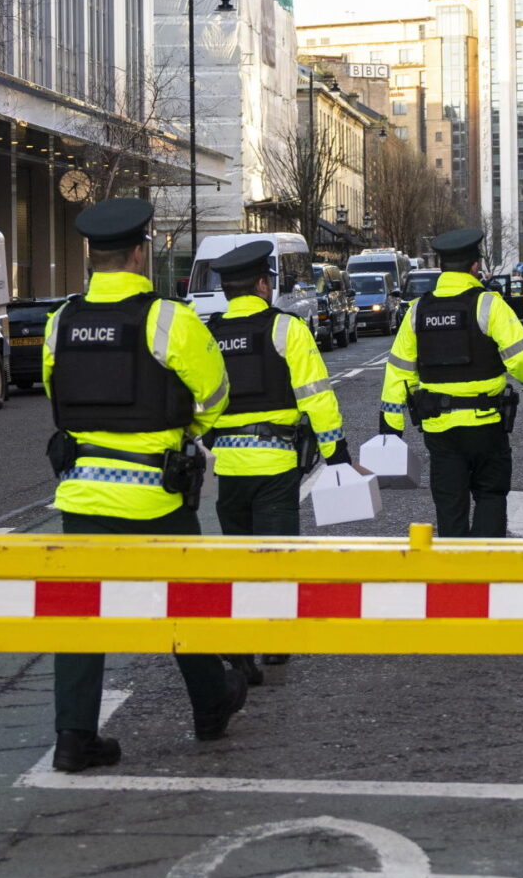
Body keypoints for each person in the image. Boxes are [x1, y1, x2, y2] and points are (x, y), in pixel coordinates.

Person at [40, 198, 241, 771]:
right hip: (157, 493)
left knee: (79, 616)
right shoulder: (168, 319)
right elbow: (215, 393)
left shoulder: (62, 321)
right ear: (139, 251)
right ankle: (209, 704)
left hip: (81, 492)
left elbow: (57, 396)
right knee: (186, 601)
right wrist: (186, 431)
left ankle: (74, 737)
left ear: (90, 256)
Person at [381, 226, 523, 537]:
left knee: (449, 503)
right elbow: (521, 358)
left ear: (441, 267)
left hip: (439, 429)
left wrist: (390, 424)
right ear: (475, 266)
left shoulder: (418, 311)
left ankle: (454, 577)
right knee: (490, 494)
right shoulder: (489, 304)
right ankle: (484, 571)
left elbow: (398, 370)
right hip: (486, 424)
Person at [207, 238, 349, 533]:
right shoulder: (286, 328)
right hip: (275, 463)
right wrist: (336, 453)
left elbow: (198, 399)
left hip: (227, 467)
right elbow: (316, 396)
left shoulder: (209, 334)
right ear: (261, 285)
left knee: (239, 562)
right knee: (276, 563)